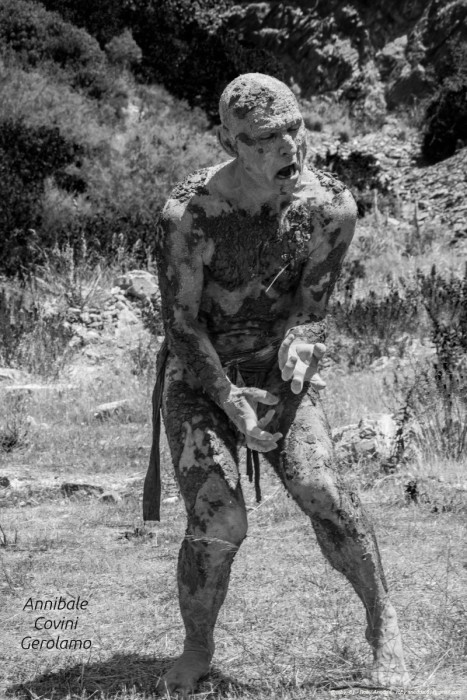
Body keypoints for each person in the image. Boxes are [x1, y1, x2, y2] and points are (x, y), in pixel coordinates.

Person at [145, 73, 409, 697]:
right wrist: (231, 402)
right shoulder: (192, 213)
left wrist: (300, 345)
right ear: (230, 140)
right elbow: (179, 323)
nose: (287, 146)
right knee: (220, 516)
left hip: (279, 367)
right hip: (201, 371)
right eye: (265, 138)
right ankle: (197, 648)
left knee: (321, 485)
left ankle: (383, 623)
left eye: (294, 128)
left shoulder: (332, 207)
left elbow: (312, 305)